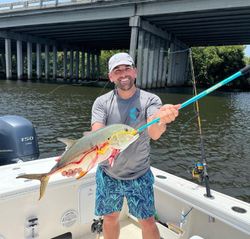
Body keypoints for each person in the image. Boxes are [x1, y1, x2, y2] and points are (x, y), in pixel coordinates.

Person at [62, 52, 180, 239]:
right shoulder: (101, 102)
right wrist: (75, 163)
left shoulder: (150, 100)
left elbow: (154, 133)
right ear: (110, 76)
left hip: (139, 173)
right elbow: (96, 137)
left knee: (148, 221)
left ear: (135, 72)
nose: (123, 73)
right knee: (109, 217)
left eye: (127, 68)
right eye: (117, 70)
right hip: (109, 173)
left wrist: (161, 119)